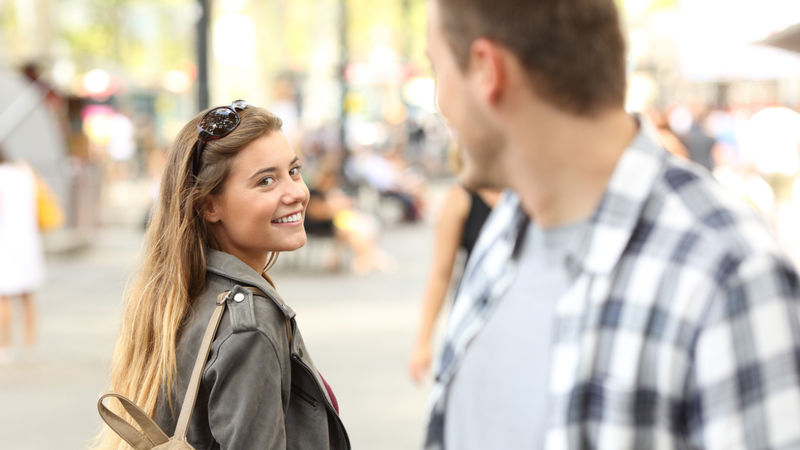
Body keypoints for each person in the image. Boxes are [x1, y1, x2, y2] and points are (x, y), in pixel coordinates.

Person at [424, 1, 800, 449]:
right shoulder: (505, 232)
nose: (438, 102)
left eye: (436, 67)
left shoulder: (727, 272)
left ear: (487, 68)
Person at [93, 101, 350, 449]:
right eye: (266, 181)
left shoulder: (180, 293)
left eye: (294, 170)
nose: (295, 193)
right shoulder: (250, 325)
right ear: (209, 206)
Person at [407, 184, 499, 383]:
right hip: (476, 318)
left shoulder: (528, 193)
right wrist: (423, 341)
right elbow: (441, 273)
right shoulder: (461, 198)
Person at [0, 147, 44, 364]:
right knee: (27, 296)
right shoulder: (25, 171)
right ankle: (29, 344)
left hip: (5, 242)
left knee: (3, 298)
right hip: (28, 241)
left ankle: (4, 346)